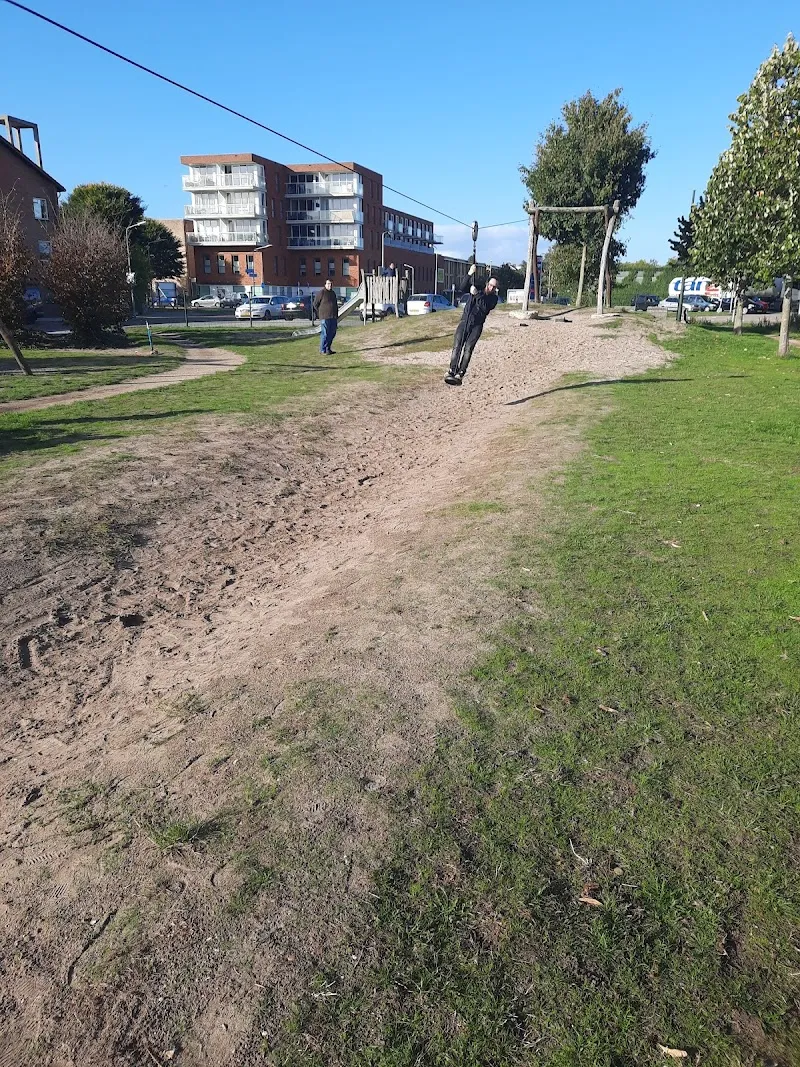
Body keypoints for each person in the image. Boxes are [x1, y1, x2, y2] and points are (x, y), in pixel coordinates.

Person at [445, 263, 499, 386]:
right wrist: (470, 273)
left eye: (494, 287)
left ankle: (461, 372)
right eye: (490, 285)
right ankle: (452, 370)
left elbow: (484, 306)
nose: (491, 288)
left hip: (477, 326)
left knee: (468, 348)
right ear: (487, 283)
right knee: (457, 346)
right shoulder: (478, 287)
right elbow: (463, 287)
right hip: (465, 321)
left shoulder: (493, 299)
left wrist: (476, 294)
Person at [313, 278, 339, 354]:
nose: (330, 285)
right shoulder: (321, 293)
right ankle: (322, 349)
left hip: (333, 317)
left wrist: (336, 315)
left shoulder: (333, 293)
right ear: (325, 285)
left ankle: (328, 348)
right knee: (325, 333)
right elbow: (315, 304)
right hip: (325, 317)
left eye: (331, 284)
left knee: (332, 333)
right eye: (328, 284)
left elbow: (335, 305)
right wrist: (320, 312)